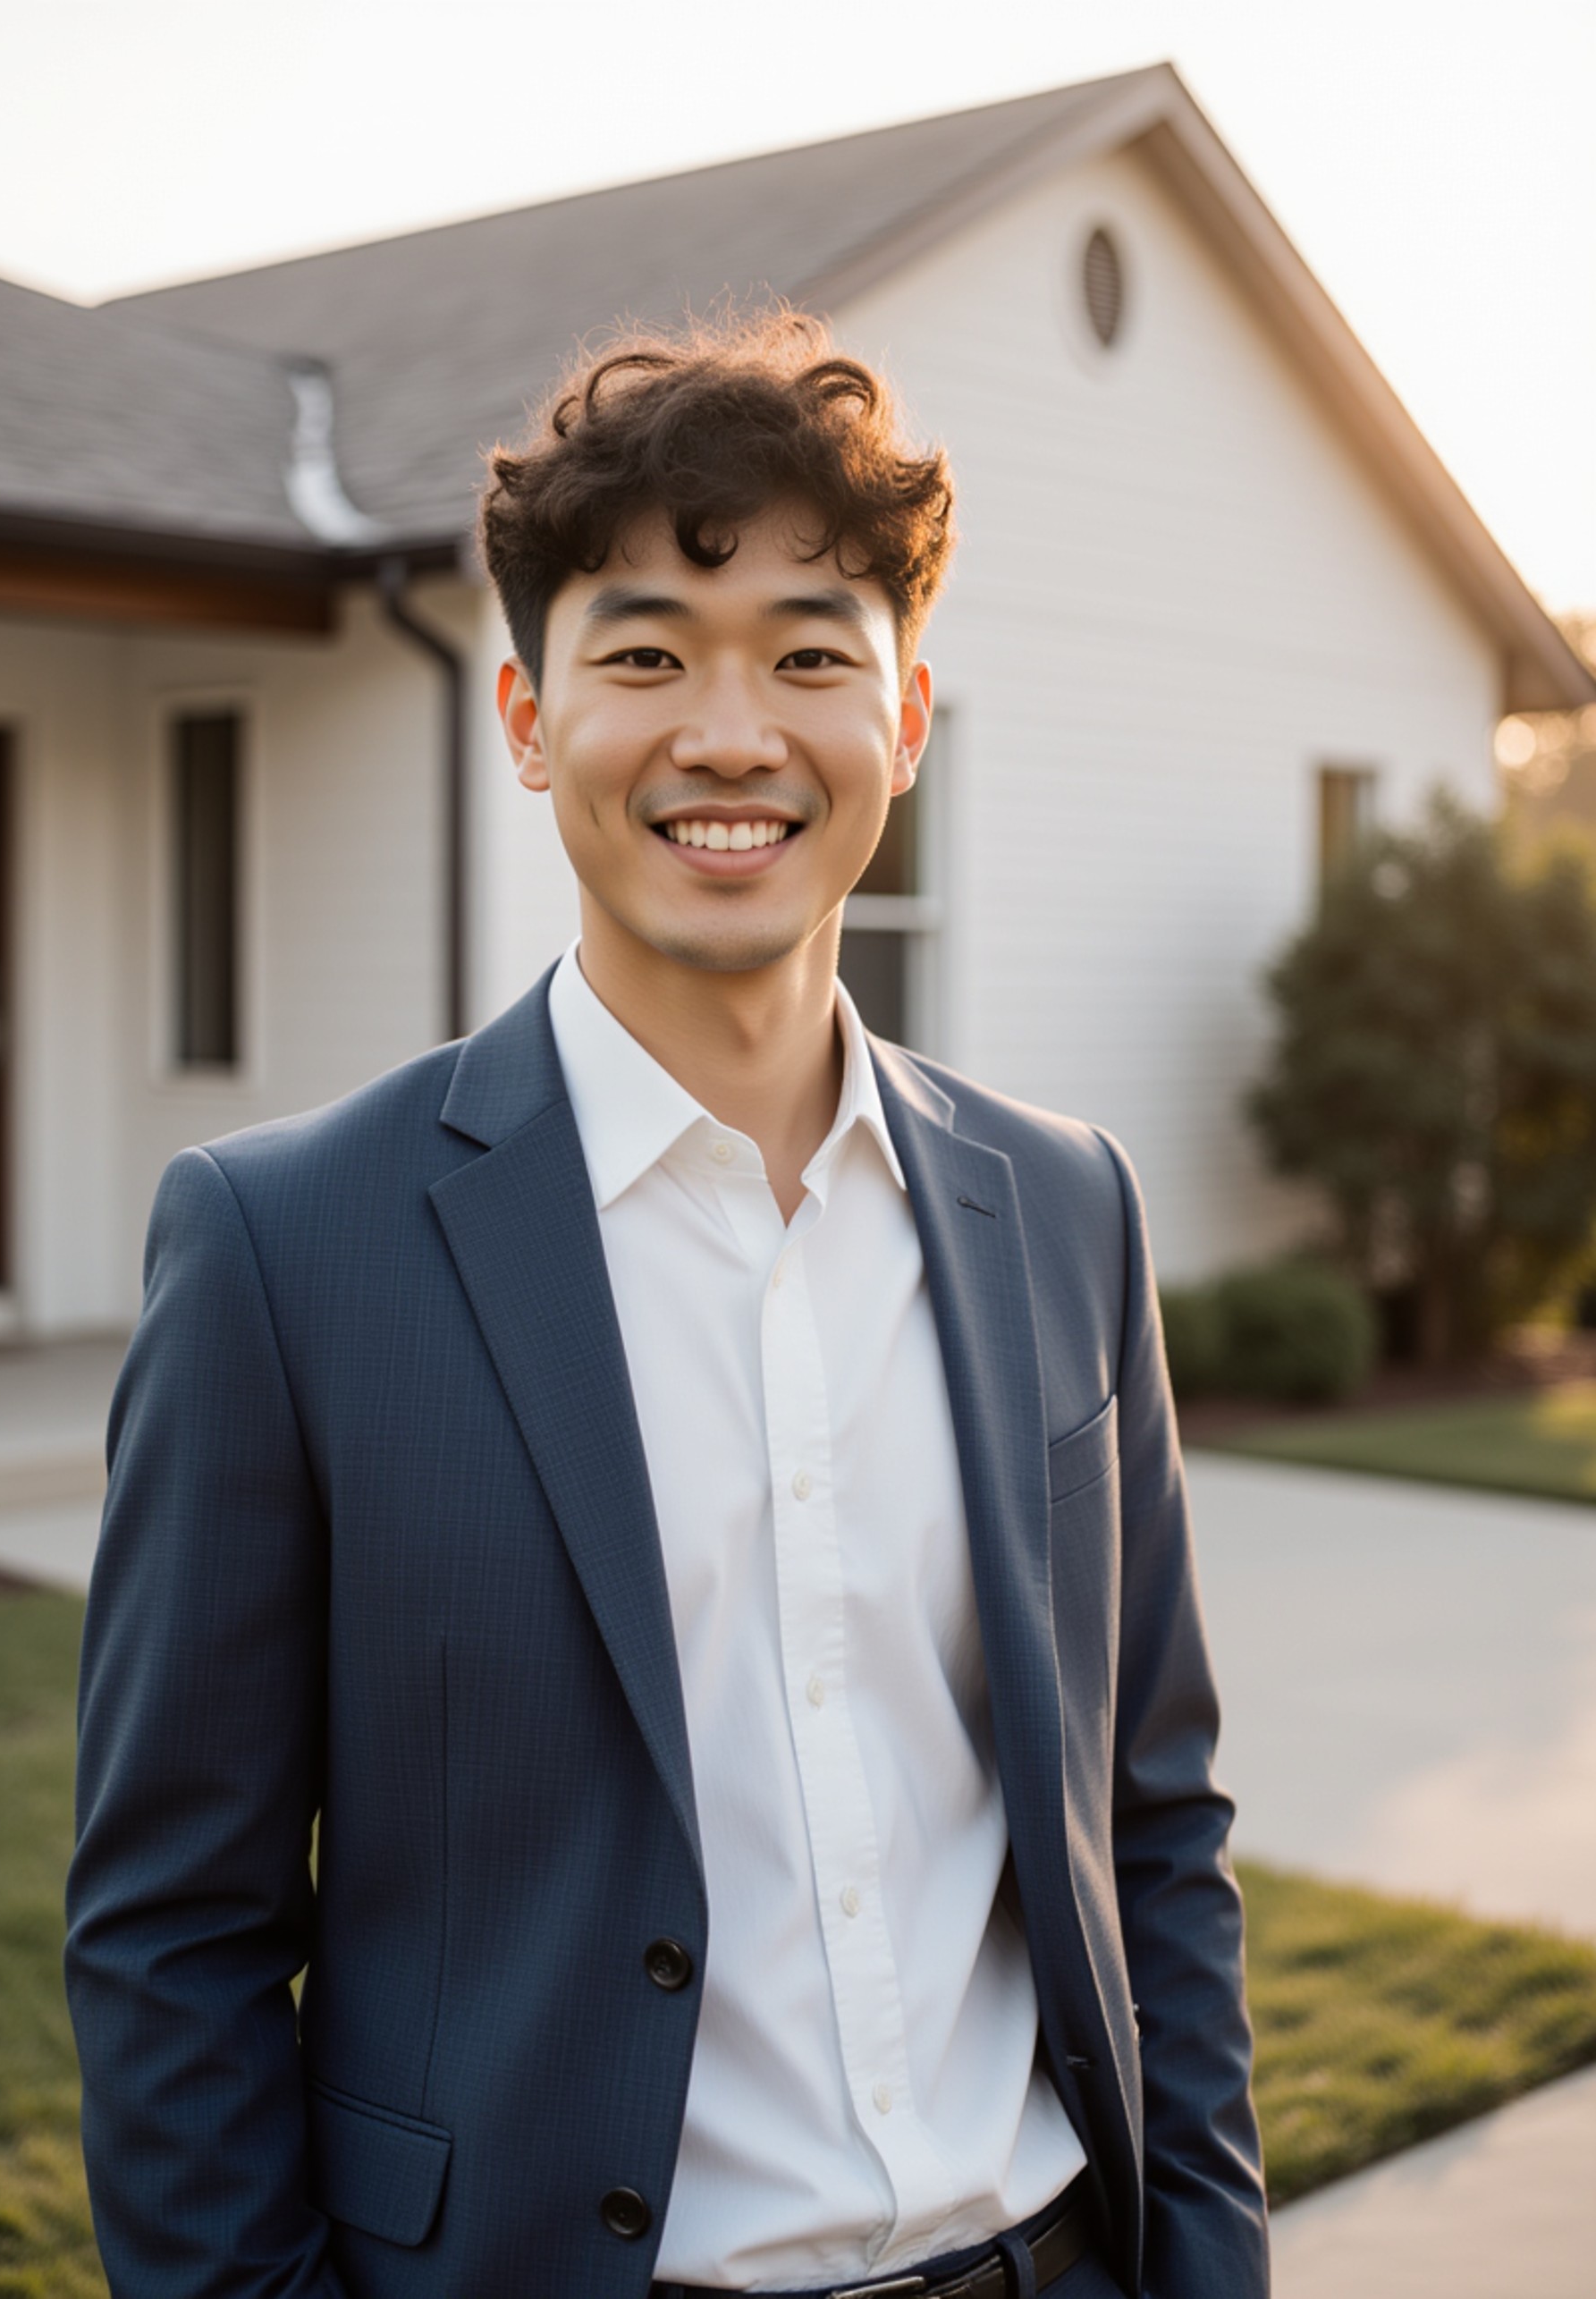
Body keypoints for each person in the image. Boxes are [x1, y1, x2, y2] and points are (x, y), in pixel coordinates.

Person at [66, 311, 1269, 2299]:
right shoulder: (286, 1248)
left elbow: (1153, 1820)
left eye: (811, 652)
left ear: (905, 715)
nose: (731, 734)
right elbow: (171, 1941)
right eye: (644, 656)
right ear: (532, 720)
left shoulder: (1065, 1203)